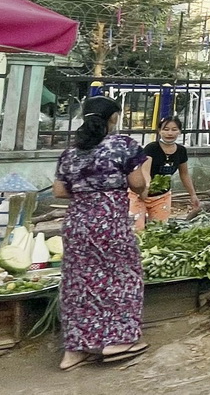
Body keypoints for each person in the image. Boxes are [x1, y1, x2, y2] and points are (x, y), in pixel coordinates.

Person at [53, 96, 150, 371]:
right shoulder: (123, 145)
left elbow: (59, 191)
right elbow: (136, 182)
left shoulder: (71, 152)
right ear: (113, 118)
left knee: (78, 284)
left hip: (76, 224)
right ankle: (117, 341)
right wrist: (137, 187)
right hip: (109, 222)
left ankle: (74, 351)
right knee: (121, 278)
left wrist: (86, 190)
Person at [130, 116, 200, 231]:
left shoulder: (181, 151)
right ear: (159, 131)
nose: (170, 133)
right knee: (137, 228)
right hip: (140, 193)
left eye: (174, 129)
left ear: (179, 131)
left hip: (161, 196)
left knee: (159, 230)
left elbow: (184, 174)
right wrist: (145, 188)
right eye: (166, 129)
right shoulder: (152, 148)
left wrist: (193, 195)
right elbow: (145, 171)